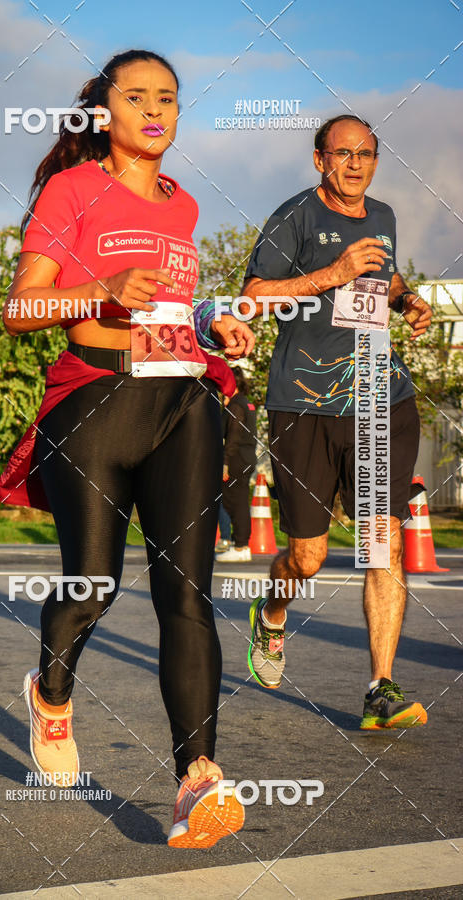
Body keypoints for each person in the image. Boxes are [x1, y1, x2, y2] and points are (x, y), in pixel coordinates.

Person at [0, 50, 254, 847]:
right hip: (95, 404)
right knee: (92, 588)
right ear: (104, 112)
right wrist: (99, 292)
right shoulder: (72, 190)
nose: (154, 110)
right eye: (136, 97)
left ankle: (196, 781)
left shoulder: (184, 205)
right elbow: (19, 307)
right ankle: (51, 693)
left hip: (181, 403)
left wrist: (211, 323)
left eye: (166, 98)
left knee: (188, 597)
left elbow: (170, 308)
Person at [241, 114, 432, 729]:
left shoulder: (384, 216)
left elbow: (385, 275)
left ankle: (381, 689)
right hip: (304, 403)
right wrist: (333, 274)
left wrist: (406, 299)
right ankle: (272, 614)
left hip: (379, 395)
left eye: (366, 154)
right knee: (308, 556)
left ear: (376, 160)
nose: (355, 164)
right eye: (342, 153)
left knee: (383, 540)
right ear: (319, 158)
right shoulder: (293, 217)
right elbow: (253, 295)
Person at [216, 366, 258, 563]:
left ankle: (240, 546)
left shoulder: (236, 406)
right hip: (247, 457)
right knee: (238, 501)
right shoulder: (245, 403)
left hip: (236, 459)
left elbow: (233, 436)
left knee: (235, 502)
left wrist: (225, 462)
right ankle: (241, 545)